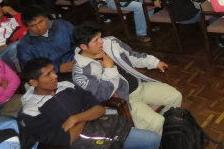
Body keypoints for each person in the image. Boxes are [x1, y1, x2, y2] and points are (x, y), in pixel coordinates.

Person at [20, 57, 161, 149]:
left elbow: (99, 109)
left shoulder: (67, 85)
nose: (55, 76)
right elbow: (63, 140)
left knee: (153, 139)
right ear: (33, 82)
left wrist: (76, 118)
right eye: (48, 74)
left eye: (53, 71)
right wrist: (87, 116)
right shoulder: (31, 110)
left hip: (103, 127)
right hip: (82, 144)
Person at [72, 25, 182, 136]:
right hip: (125, 100)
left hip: (140, 86)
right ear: (83, 47)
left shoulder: (111, 43)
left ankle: (166, 131)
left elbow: (132, 55)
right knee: (156, 122)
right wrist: (109, 69)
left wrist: (154, 62)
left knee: (175, 97)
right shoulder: (81, 71)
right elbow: (102, 95)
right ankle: (153, 139)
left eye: (100, 37)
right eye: (96, 40)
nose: (101, 42)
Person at [16, 5, 75, 75]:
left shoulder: (62, 25)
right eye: (33, 25)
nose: (39, 27)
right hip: (52, 74)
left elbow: (80, 40)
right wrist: (58, 68)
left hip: (76, 61)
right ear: (27, 26)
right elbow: (30, 70)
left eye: (41, 22)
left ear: (46, 18)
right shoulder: (24, 46)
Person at [0, 0, 27, 70]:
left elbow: (29, 27)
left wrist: (13, 12)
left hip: (17, 47)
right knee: (14, 47)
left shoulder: (12, 20)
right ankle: (25, 74)